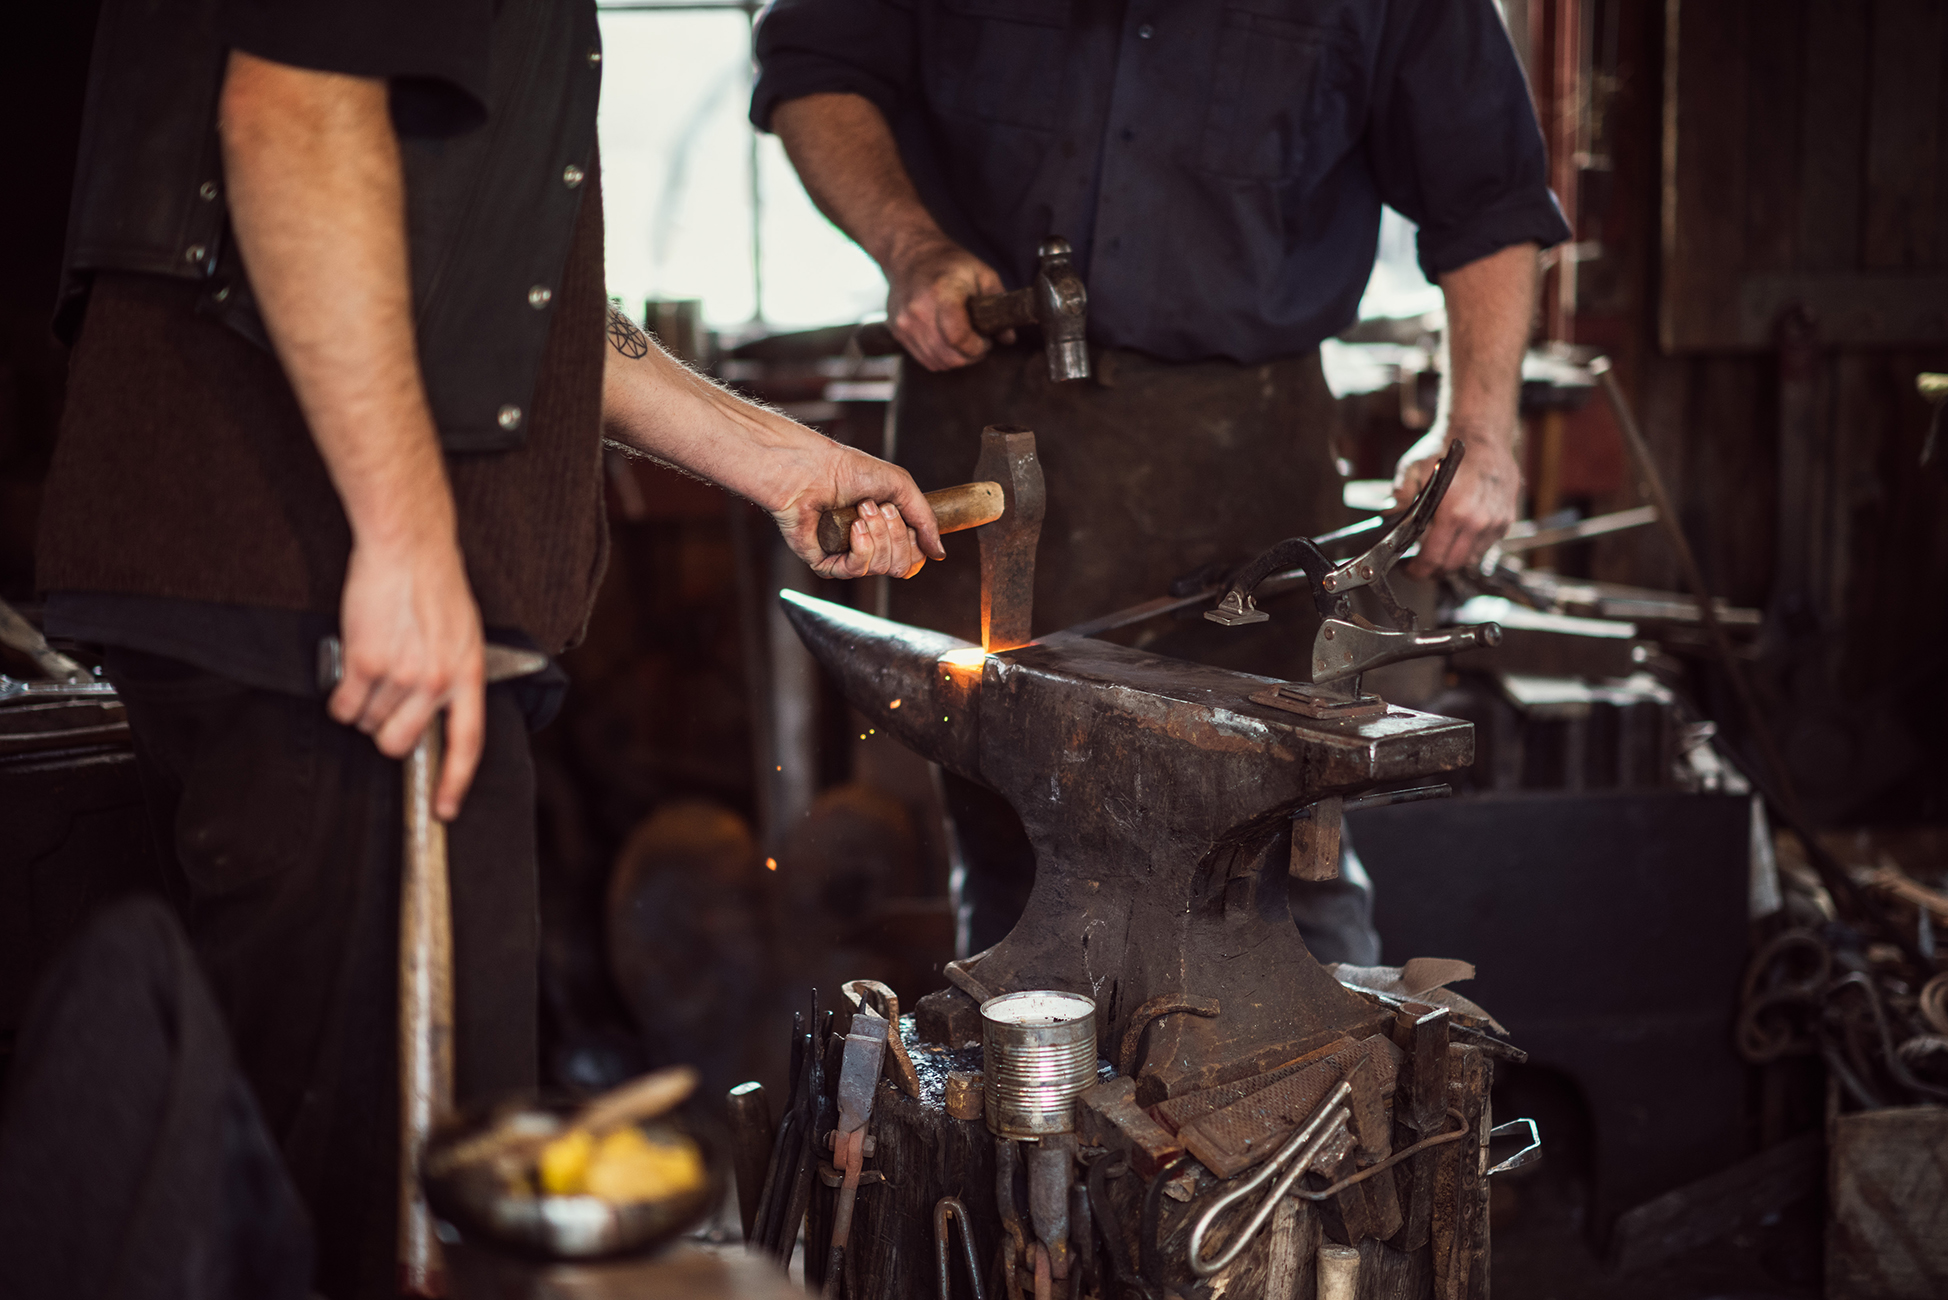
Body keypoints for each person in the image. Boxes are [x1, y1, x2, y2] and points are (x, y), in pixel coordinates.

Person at [35, 1, 939, 1295]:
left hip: (309, 602)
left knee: (374, 1170)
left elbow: (534, 310)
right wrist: (406, 542)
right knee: (387, 1204)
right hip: (325, 616)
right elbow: (293, 110)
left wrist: (784, 461)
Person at [752, 0, 1572, 957]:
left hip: (1249, 455)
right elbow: (815, 65)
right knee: (1018, 852)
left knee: (1277, 843)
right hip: (987, 421)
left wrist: (1479, 429)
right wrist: (909, 245)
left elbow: (1487, 191)